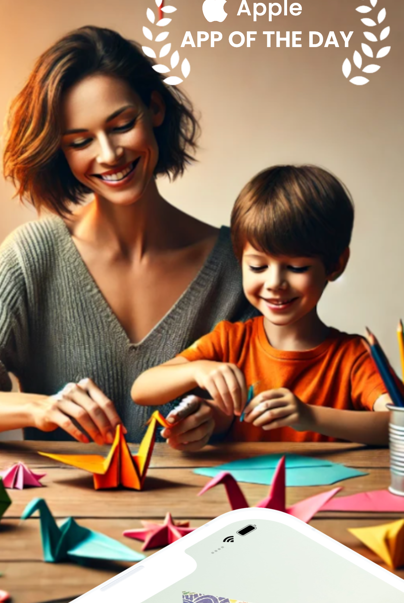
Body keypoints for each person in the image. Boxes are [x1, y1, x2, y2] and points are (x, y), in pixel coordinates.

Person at [0, 27, 254, 447]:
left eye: (122, 125)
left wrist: (218, 419)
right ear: (61, 152)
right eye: (81, 141)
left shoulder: (238, 265)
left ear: (155, 108)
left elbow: (270, 396)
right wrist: (41, 408)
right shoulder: (32, 257)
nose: (109, 154)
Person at [132, 164, 392, 446]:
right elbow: (142, 389)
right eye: (258, 267)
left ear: (336, 264)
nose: (275, 283)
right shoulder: (231, 341)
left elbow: (398, 423)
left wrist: (310, 416)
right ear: (240, 259)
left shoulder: (355, 357)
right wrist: (198, 371)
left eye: (297, 267)